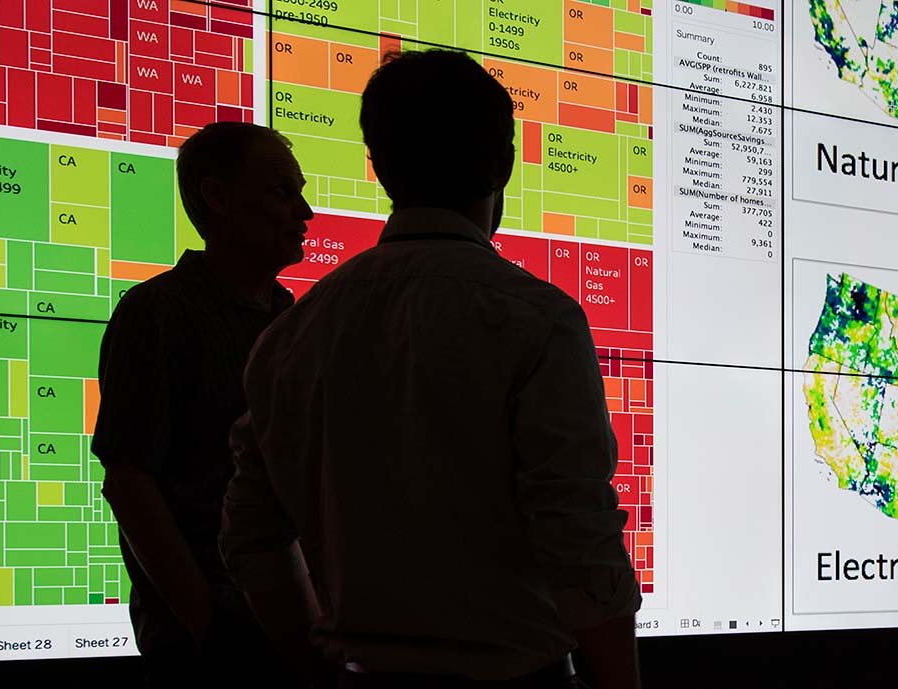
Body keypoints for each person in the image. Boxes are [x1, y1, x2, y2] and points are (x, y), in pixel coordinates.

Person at [219, 49, 642, 689]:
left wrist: (320, 670)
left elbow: (251, 540)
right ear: (504, 163)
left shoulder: (292, 337)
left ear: (378, 166)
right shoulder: (538, 321)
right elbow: (580, 543)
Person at [92, 121, 312, 687]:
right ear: (217, 198)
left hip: (294, 630)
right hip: (211, 644)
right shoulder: (157, 314)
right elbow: (130, 481)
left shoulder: (293, 324)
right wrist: (206, 621)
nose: (304, 212)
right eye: (283, 192)